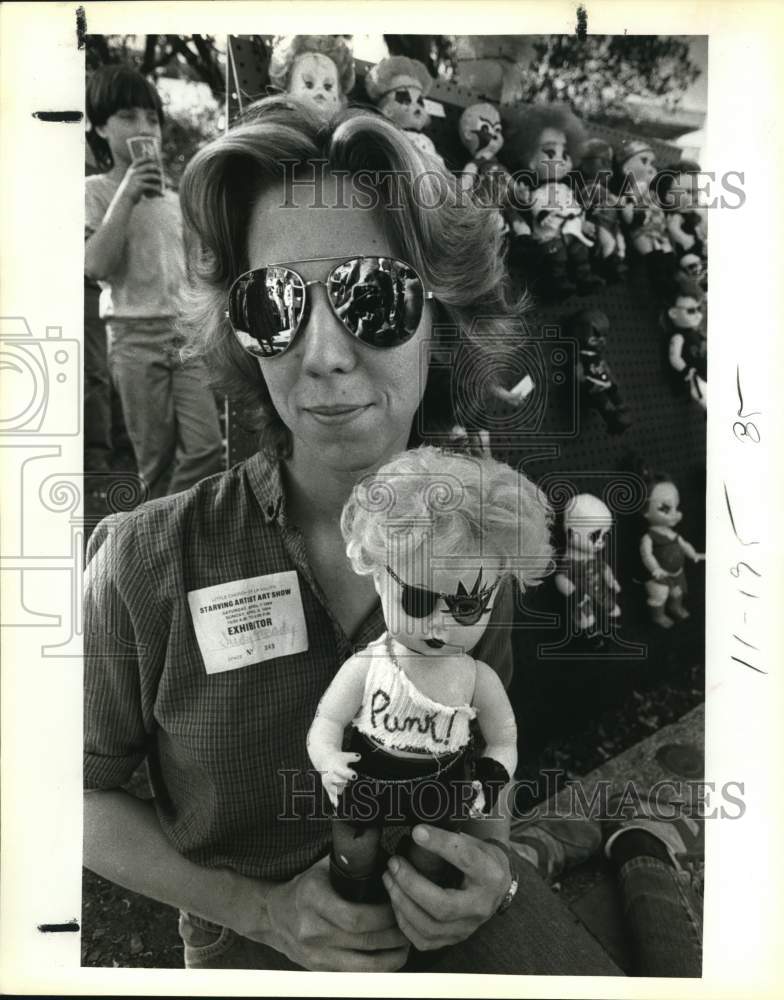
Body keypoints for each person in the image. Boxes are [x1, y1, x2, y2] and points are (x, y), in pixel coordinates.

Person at [83, 95, 696, 975]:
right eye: (275, 304)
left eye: (372, 296)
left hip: (443, 924)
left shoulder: (476, 539)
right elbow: (70, 796)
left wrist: (490, 864)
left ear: (441, 314)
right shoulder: (147, 564)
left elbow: (482, 745)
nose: (323, 353)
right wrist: (259, 911)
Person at [84, 65, 224, 500]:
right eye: (127, 117)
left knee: (206, 448)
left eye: (151, 119)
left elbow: (195, 268)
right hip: (134, 335)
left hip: (183, 334)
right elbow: (95, 265)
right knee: (156, 459)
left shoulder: (175, 200)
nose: (144, 128)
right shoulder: (96, 191)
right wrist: (127, 194)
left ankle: (170, 517)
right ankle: (159, 528)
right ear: (100, 127)